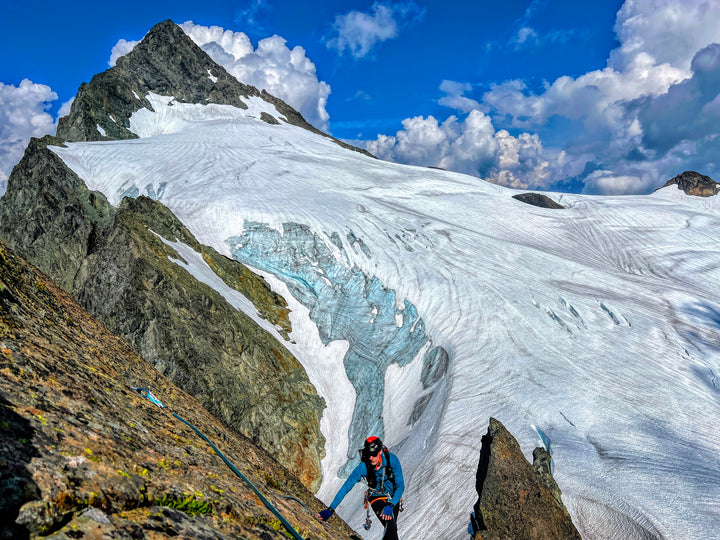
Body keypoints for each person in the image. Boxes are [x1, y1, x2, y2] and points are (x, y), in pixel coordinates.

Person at [317, 436, 404, 540]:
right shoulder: (363, 467)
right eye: (369, 454)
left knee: (391, 528)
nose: (371, 458)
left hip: (393, 497)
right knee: (390, 526)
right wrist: (330, 510)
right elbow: (346, 486)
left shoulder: (392, 460)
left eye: (373, 454)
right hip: (376, 497)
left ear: (380, 451)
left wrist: (391, 504)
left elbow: (400, 485)